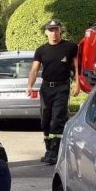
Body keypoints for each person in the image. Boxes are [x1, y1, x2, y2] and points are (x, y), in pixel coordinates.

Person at [27, 19, 78, 165]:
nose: (54, 33)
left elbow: (77, 67)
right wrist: (29, 86)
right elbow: (34, 70)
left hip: (62, 87)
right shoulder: (41, 50)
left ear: (60, 30)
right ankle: (48, 150)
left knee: (58, 118)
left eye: (56, 29)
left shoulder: (70, 47)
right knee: (45, 119)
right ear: (46, 32)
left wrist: (78, 84)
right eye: (51, 30)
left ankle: (55, 152)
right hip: (46, 88)